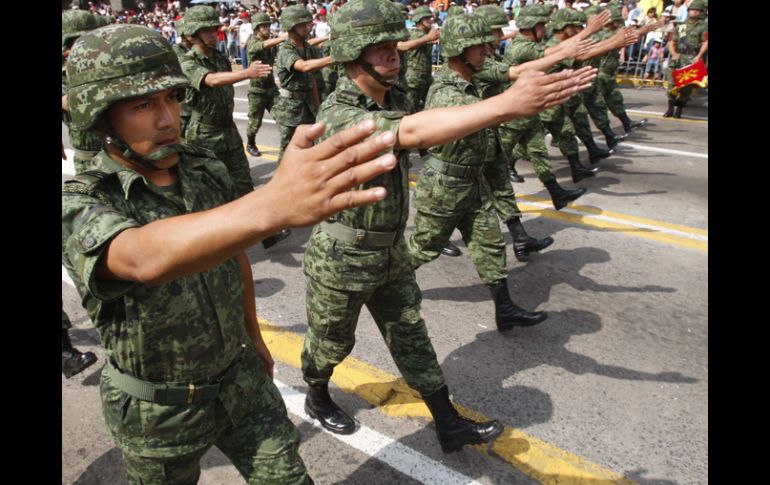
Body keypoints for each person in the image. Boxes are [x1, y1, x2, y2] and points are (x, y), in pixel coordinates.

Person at [62, 23, 401, 484]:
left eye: (172, 99)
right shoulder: (82, 201)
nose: (166, 119)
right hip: (159, 412)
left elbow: (234, 256)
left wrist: (253, 334)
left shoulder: (202, 166)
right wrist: (270, 204)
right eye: (143, 105)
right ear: (102, 119)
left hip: (241, 382)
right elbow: (140, 257)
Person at [300, 0, 596, 453]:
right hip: (343, 258)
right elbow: (410, 134)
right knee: (331, 343)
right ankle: (317, 394)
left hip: (389, 253)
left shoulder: (393, 98)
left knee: (413, 337)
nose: (392, 56)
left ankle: (447, 422)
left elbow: (419, 122)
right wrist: (506, 106)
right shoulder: (340, 112)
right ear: (351, 57)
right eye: (379, 50)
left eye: (393, 47)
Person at [180, 5, 291, 249]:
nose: (213, 33)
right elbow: (211, 80)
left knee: (243, 181)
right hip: (203, 135)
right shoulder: (188, 62)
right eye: (206, 30)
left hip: (227, 130)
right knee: (206, 192)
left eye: (214, 29)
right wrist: (247, 73)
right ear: (192, 35)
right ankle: (204, 242)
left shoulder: (219, 57)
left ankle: (264, 232)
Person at [273, 5, 334, 161]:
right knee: (289, 151)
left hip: (310, 105)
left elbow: (314, 79)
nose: (309, 26)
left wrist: (319, 106)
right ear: (293, 26)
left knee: (312, 146)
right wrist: (336, 57)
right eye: (305, 24)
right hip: (291, 108)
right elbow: (304, 66)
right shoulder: (286, 50)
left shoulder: (308, 48)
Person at [245, 13, 287, 157]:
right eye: (264, 26)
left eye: (268, 25)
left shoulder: (271, 43)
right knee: (255, 123)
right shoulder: (253, 42)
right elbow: (260, 46)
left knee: (283, 117)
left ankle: (288, 146)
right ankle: (250, 143)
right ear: (256, 28)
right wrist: (282, 38)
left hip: (271, 89)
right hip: (257, 90)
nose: (267, 28)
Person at [664, 0, 707, 118]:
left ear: (700, 12)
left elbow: (705, 42)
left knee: (686, 87)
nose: (695, 12)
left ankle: (679, 109)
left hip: (692, 58)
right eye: (693, 10)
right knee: (672, 84)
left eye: (697, 10)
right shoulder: (680, 25)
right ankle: (670, 108)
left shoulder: (704, 26)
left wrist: (699, 56)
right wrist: (673, 53)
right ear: (688, 11)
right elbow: (672, 41)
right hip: (678, 57)